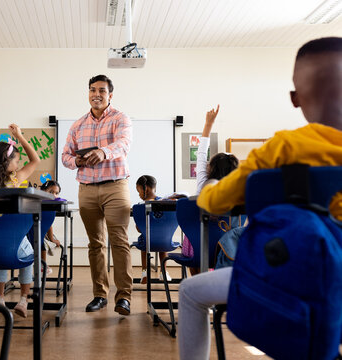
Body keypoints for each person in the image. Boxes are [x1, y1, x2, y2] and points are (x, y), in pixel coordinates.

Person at [178, 37, 342, 360]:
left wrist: (208, 189)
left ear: (295, 98)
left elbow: (214, 202)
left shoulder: (283, 148)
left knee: (190, 292)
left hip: (288, 280)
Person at [62, 74, 133, 315]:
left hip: (115, 186)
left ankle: (123, 297)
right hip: (87, 188)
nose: (97, 94)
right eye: (93, 90)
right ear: (88, 93)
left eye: (102, 90)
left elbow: (124, 143)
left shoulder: (121, 118)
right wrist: (76, 160)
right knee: (96, 244)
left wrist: (103, 152)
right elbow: (65, 157)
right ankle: (100, 294)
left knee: (119, 241)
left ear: (110, 95)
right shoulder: (77, 125)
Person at [0, 123, 41, 318]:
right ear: (6, 163)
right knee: (27, 252)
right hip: (13, 245)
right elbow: (35, 160)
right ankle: (24, 299)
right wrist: (20, 137)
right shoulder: (15, 180)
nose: (19, 163)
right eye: (16, 160)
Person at [181, 105, 239, 276]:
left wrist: (208, 124)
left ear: (211, 168)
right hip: (229, 249)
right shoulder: (239, 194)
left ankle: (199, 284)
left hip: (198, 250)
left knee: (192, 237)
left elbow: (201, 153)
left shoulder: (203, 183)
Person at [132, 175, 173, 284]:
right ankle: (163, 271)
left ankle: (145, 271)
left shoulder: (140, 206)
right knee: (163, 240)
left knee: (144, 238)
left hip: (147, 242)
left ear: (146, 189)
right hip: (164, 241)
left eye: (139, 191)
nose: (139, 194)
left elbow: (139, 229)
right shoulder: (166, 203)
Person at [39, 180, 62, 274]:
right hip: (32, 234)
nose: (54, 195)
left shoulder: (51, 207)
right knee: (41, 242)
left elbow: (48, 224)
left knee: (42, 240)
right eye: (51, 192)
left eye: (56, 193)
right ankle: (42, 264)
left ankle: (42, 264)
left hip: (41, 234)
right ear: (43, 191)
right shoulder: (36, 203)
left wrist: (52, 239)